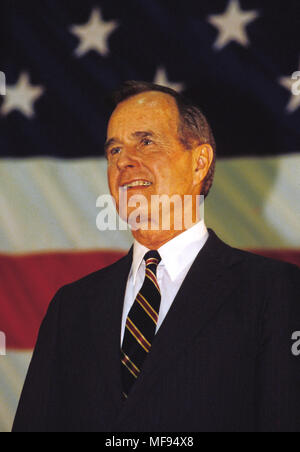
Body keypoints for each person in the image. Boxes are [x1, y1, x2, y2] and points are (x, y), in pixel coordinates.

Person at [13, 81, 300, 432]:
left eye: (145, 142)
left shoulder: (276, 292)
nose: (124, 162)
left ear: (199, 162)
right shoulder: (70, 307)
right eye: (114, 150)